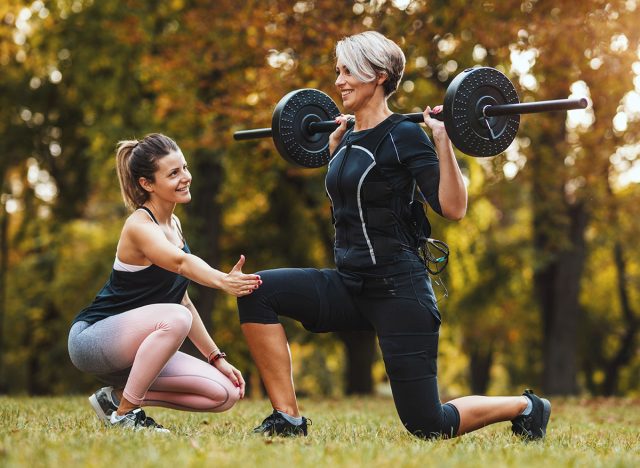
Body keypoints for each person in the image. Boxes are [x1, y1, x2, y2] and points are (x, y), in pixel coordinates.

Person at [237, 31, 551, 440]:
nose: (339, 81)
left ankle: (527, 407)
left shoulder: (404, 135)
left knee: (428, 425)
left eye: (348, 71)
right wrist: (334, 152)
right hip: (350, 284)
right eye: (338, 71)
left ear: (379, 76)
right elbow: (355, 204)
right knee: (256, 290)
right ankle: (289, 418)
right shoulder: (345, 137)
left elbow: (453, 208)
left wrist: (444, 141)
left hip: (398, 291)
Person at [68, 133, 262, 432]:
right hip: (93, 340)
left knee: (225, 394)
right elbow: (181, 264)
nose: (186, 177)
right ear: (147, 184)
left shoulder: (175, 224)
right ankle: (127, 416)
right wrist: (224, 280)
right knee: (176, 318)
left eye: (184, 168)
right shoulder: (139, 226)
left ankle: (116, 400)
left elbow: (182, 299)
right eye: (173, 173)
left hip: (142, 346)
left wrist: (216, 358)